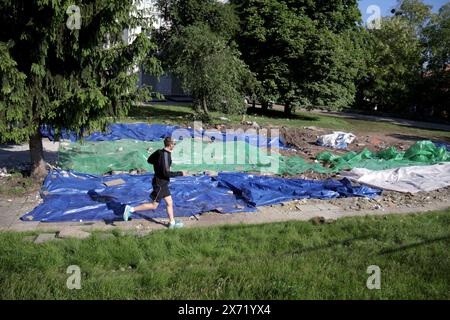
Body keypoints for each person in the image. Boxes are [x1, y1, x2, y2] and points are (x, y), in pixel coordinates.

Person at [123, 137, 185, 229]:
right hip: (160, 184)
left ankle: (172, 223)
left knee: (169, 202)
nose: (174, 146)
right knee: (154, 205)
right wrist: (180, 173)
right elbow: (166, 173)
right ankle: (130, 209)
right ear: (170, 145)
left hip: (163, 183)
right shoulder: (166, 156)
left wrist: (158, 165)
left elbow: (149, 160)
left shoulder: (159, 152)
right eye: (174, 144)